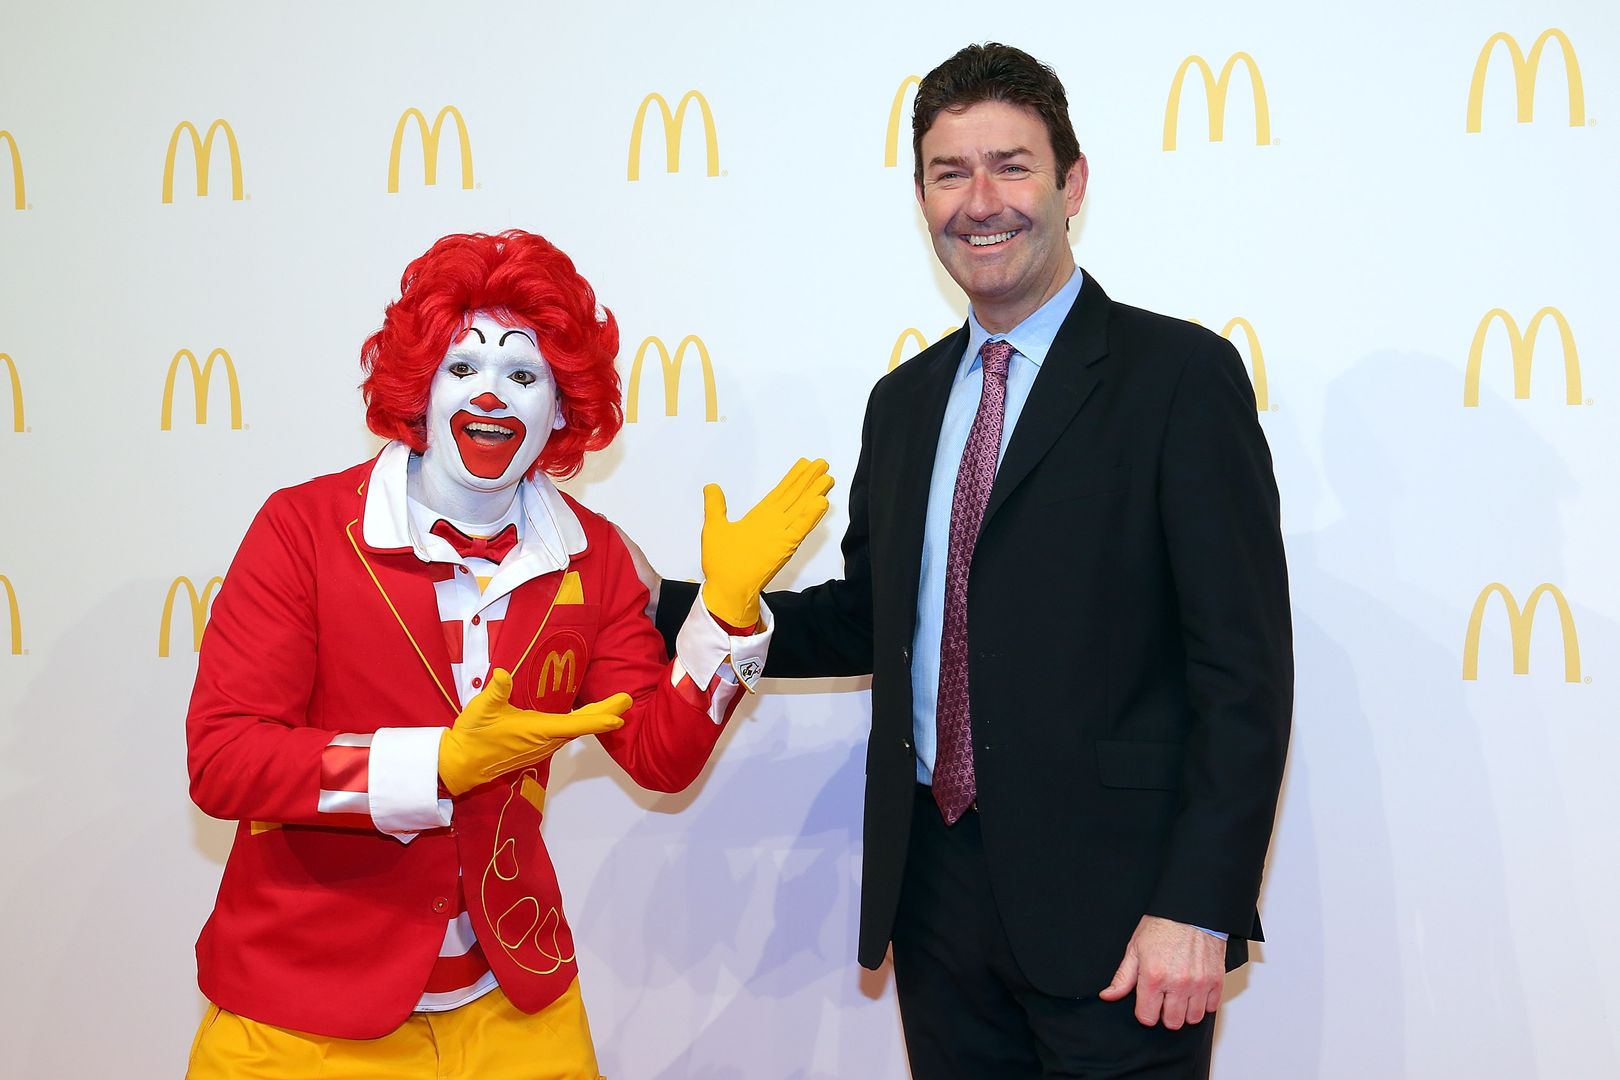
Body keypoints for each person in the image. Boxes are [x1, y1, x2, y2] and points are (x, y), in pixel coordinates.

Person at [644, 44, 1292, 1079]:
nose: (980, 201)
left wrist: (1198, 906)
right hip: (937, 900)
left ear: (1072, 184)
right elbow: (875, 621)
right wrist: (667, 602)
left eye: (1012, 166)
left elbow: (1243, 676)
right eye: (951, 173)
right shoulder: (902, 405)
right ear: (920, 198)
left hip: (1124, 917)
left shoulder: (1179, 377)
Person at [183, 229, 831, 1079]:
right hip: (305, 1015)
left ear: (562, 409)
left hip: (514, 1005)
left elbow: (661, 756)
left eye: (523, 376)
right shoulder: (304, 531)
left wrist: (726, 617)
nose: (490, 395)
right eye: (462, 368)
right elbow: (225, 760)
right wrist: (435, 764)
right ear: (420, 386)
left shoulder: (591, 557)